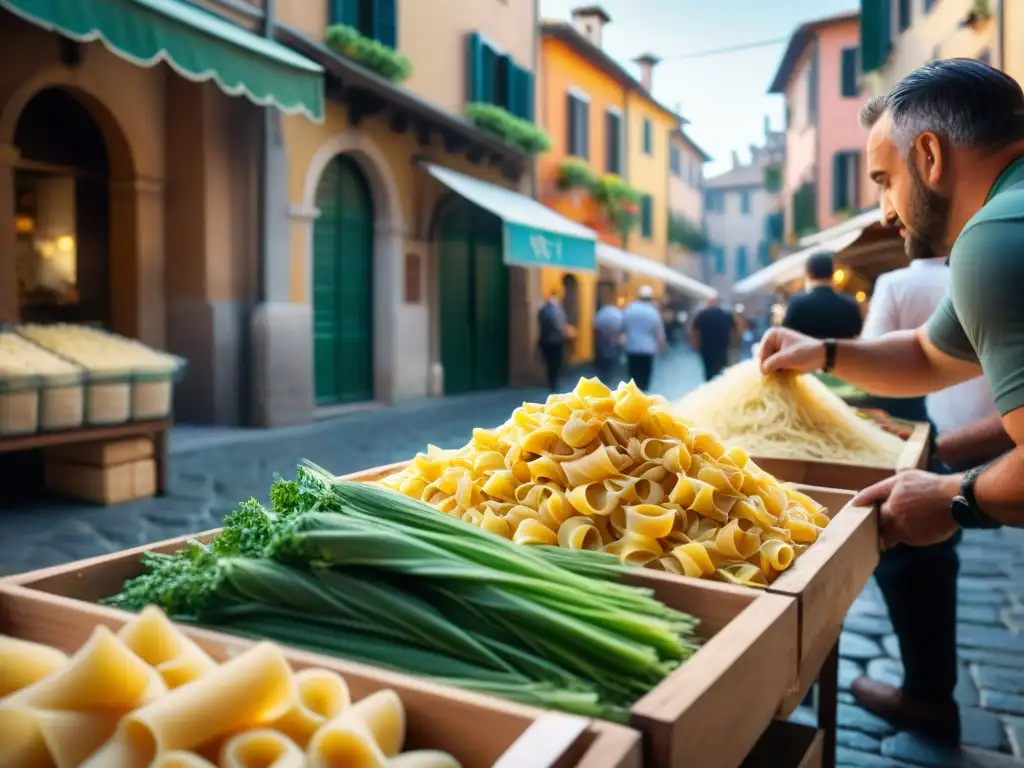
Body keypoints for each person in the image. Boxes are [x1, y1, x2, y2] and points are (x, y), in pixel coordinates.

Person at [757, 59, 1024, 742]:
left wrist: (950, 498)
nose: (884, 210)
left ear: (929, 155)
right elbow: (928, 356)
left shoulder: (994, 241)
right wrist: (822, 354)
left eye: (884, 180)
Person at [853, 243, 1003, 739]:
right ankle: (930, 691)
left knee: (913, 556)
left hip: (936, 438)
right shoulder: (987, 267)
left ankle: (927, 695)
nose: (889, 209)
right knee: (938, 552)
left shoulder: (899, 283)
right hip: (981, 441)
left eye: (886, 182)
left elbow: (881, 366)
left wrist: (834, 360)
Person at [782, 251, 863, 340]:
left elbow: (786, 335)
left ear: (808, 273)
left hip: (808, 354)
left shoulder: (796, 305)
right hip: (842, 354)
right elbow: (857, 334)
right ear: (832, 272)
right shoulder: (850, 306)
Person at [622, 285, 665, 391]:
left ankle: (633, 398)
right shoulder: (653, 312)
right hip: (647, 350)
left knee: (633, 378)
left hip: (632, 349)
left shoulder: (630, 309)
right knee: (644, 379)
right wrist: (662, 348)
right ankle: (642, 397)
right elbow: (659, 333)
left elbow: (622, 328)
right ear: (650, 297)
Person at [690, 296, 733, 381]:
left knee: (708, 369)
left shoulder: (702, 314)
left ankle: (710, 384)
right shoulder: (724, 314)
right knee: (721, 368)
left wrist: (695, 343)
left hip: (706, 346)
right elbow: (733, 329)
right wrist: (732, 342)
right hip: (721, 345)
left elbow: (695, 330)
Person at [537, 292, 568, 393]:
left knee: (548, 363)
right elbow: (559, 325)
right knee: (555, 363)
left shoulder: (542, 310)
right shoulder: (555, 310)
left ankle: (550, 382)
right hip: (555, 341)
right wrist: (564, 331)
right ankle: (554, 384)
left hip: (545, 341)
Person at [593, 298, 624, 386]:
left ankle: (602, 374)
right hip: (612, 340)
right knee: (611, 355)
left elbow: (595, 324)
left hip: (602, 339)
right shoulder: (617, 313)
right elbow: (621, 327)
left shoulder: (602, 313)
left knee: (602, 354)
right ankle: (609, 374)